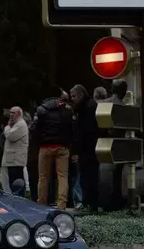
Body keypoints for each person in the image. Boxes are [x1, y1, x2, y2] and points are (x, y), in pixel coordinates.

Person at [30, 94, 74, 209]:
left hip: (45, 147)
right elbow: (72, 129)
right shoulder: (67, 109)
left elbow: (33, 129)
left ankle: (42, 203)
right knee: (62, 176)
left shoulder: (41, 110)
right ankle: (62, 204)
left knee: (43, 177)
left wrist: (38, 141)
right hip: (62, 146)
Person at [70, 84, 100, 213]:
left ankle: (89, 203)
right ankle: (89, 203)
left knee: (88, 177)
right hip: (88, 148)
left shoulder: (87, 108)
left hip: (89, 148)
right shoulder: (86, 106)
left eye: (74, 96)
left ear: (81, 95)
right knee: (86, 177)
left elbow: (85, 130)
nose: (72, 99)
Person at [102, 79, 128, 211]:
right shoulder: (123, 106)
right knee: (116, 176)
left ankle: (109, 202)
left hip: (106, 142)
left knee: (109, 175)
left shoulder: (105, 103)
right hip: (117, 143)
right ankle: (114, 202)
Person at [1, 106, 29, 194]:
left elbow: (10, 136)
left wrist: (7, 127)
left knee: (17, 184)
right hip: (12, 160)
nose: (11, 114)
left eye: (13, 113)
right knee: (12, 183)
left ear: (19, 114)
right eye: (10, 112)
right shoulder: (15, 124)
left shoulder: (20, 124)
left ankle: (19, 198)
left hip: (16, 161)